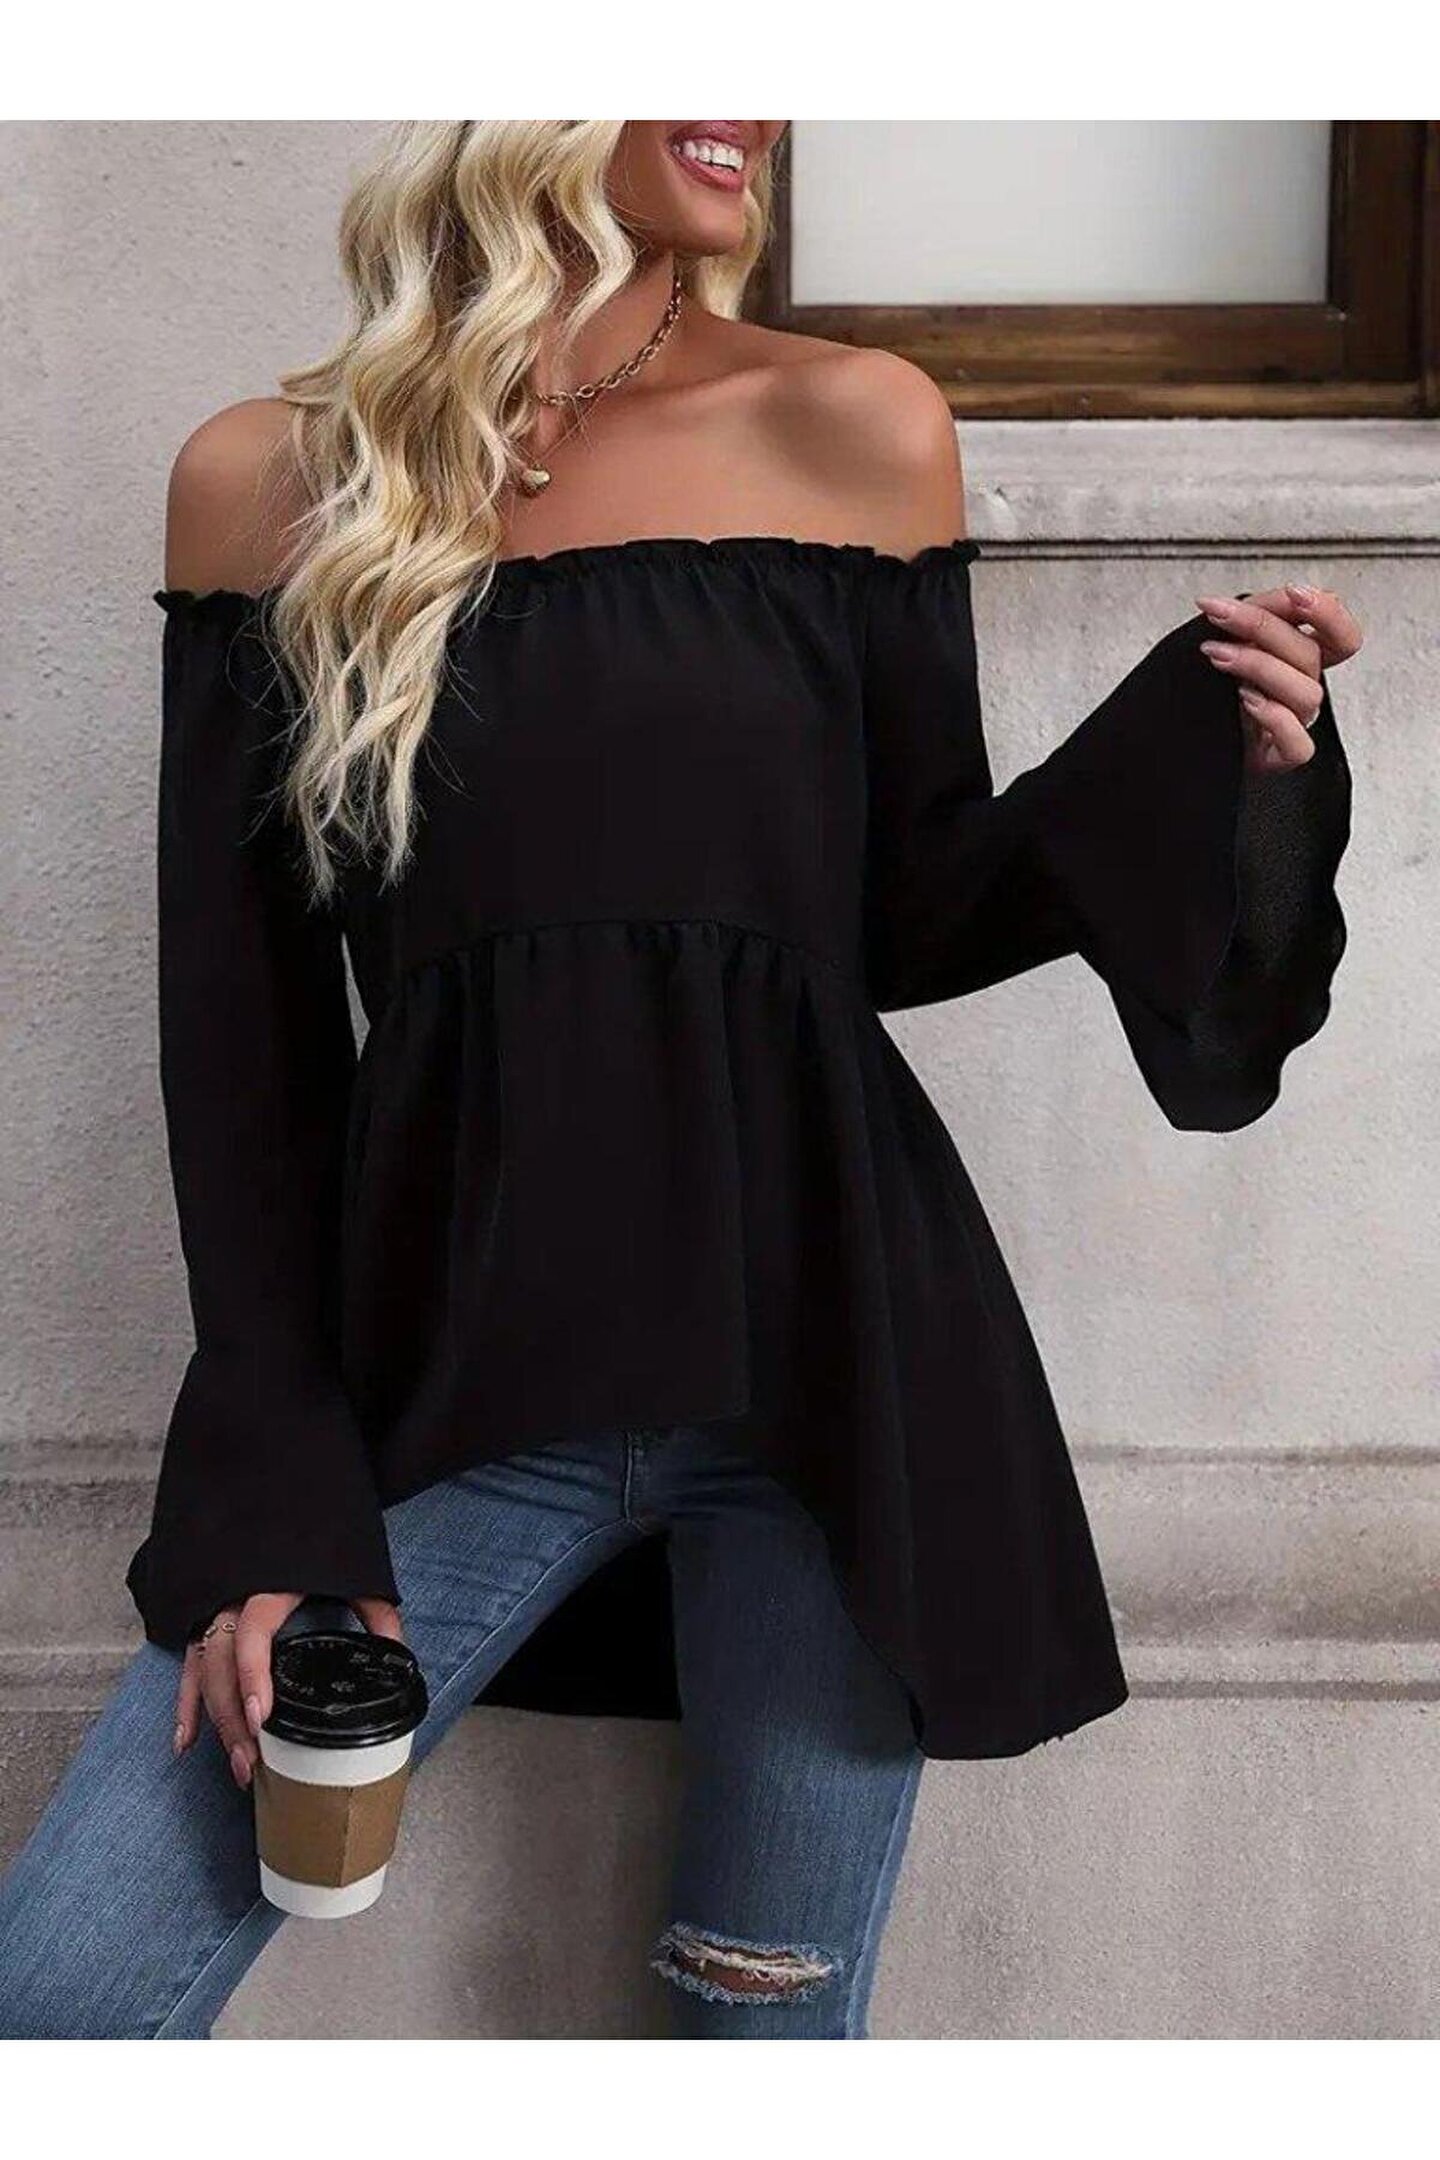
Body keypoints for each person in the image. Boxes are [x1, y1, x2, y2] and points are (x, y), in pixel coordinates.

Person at [0, 120, 1360, 2040]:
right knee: (59, 2002)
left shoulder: (855, 425)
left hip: (833, 1372)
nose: (761, 99)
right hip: (454, 1371)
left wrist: (1219, 764)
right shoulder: (271, 481)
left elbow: (906, 907)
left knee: (759, 2049)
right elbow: (247, 1062)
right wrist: (273, 1491)